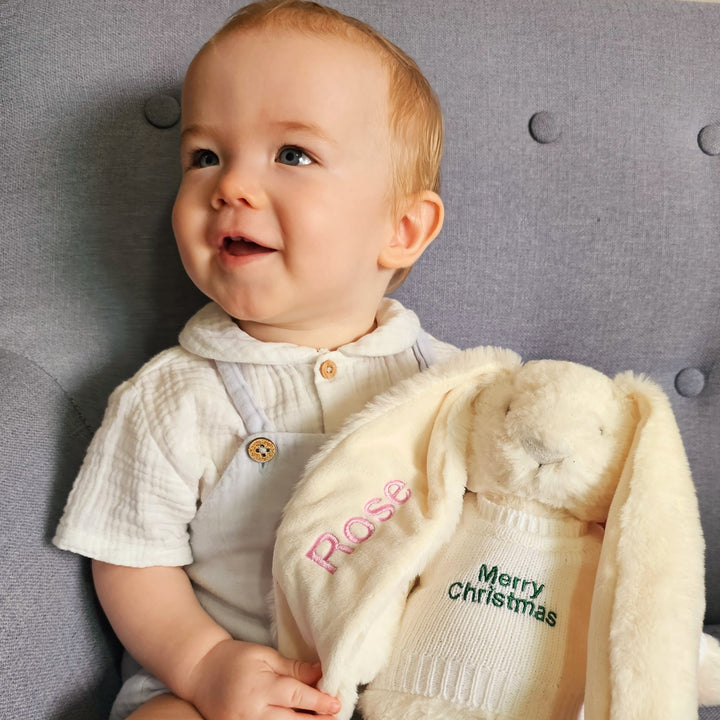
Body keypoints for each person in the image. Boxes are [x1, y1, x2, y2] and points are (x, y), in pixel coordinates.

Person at [53, 1, 455, 718]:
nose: (230, 186)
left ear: (401, 228)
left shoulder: (453, 385)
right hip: (222, 683)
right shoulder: (173, 396)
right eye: (205, 156)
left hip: (412, 684)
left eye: (292, 155)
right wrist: (204, 663)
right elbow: (130, 557)